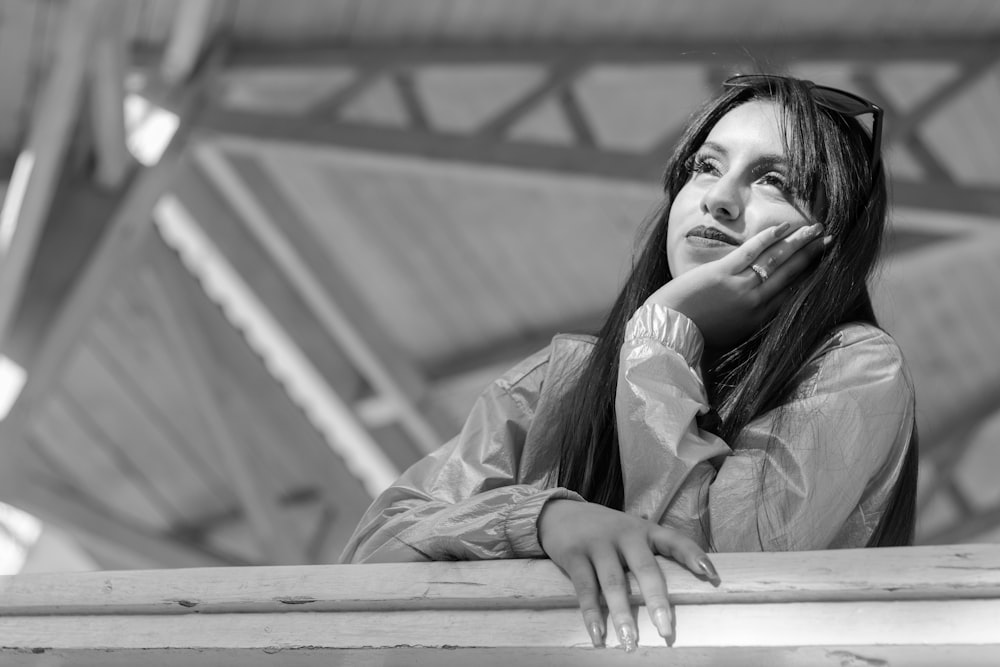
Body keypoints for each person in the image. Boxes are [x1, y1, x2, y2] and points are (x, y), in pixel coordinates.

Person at [340, 73, 918, 652]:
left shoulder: (857, 368)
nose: (718, 198)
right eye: (706, 166)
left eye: (773, 180)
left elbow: (721, 576)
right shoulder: (556, 381)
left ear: (829, 236)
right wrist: (541, 519)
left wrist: (662, 335)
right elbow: (370, 560)